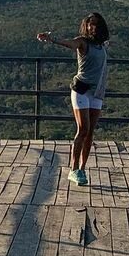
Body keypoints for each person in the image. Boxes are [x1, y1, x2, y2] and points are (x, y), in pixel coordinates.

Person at [36, 12, 109, 186]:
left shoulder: (101, 45)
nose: (93, 27)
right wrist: (52, 39)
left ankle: (82, 169)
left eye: (96, 24)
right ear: (86, 25)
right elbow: (70, 43)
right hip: (81, 90)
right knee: (83, 129)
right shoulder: (82, 42)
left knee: (90, 132)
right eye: (90, 24)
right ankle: (73, 168)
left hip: (97, 92)